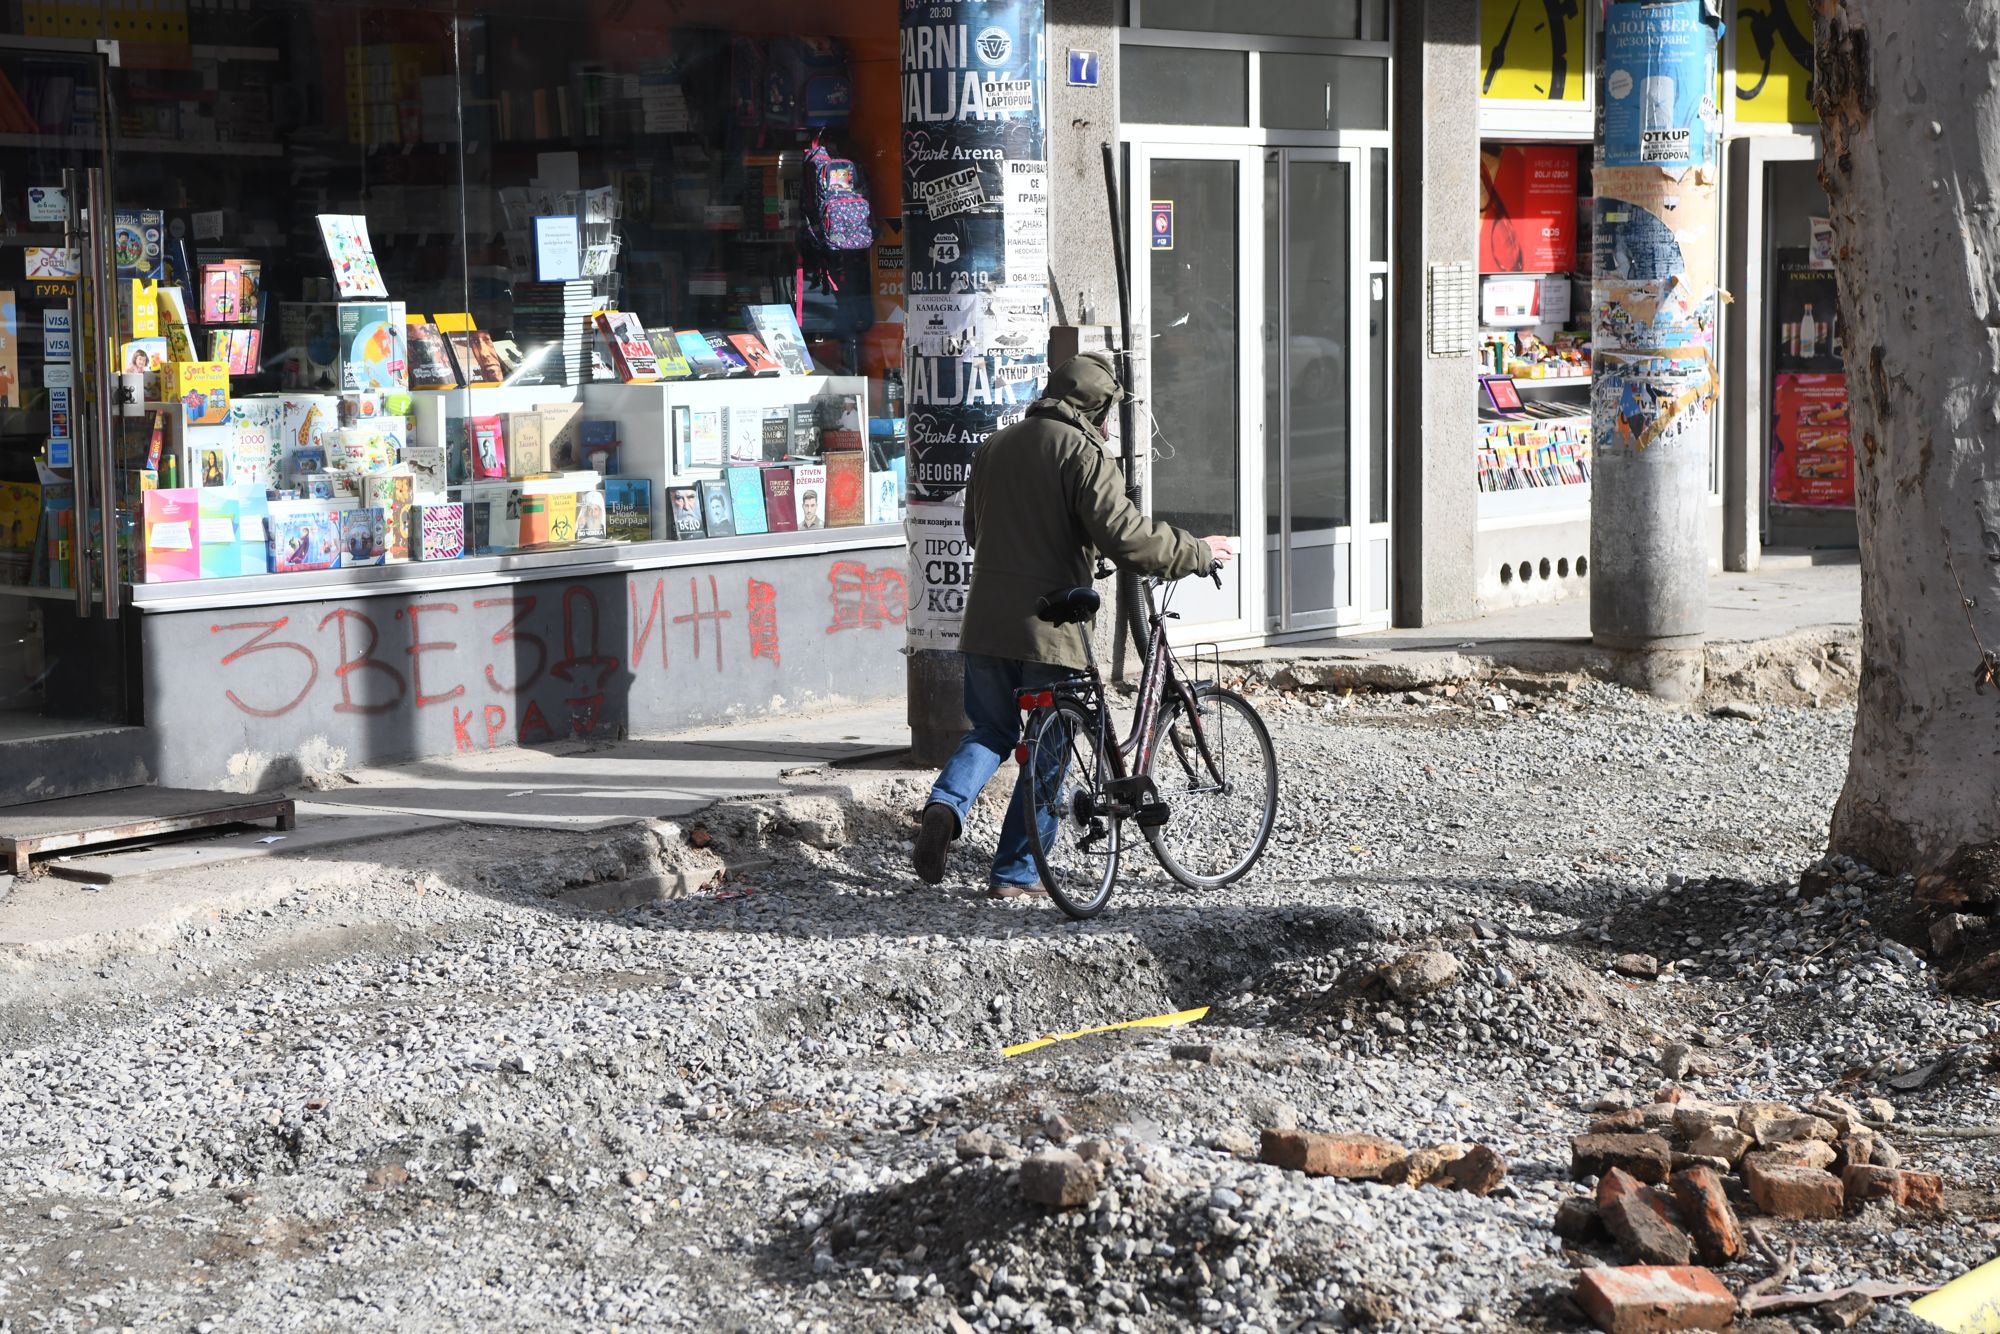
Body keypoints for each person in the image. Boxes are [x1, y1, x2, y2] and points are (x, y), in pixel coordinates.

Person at [912, 350, 1234, 896]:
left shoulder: (995, 445)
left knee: (991, 730)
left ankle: (945, 806)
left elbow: (975, 530)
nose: (1108, 421)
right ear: (1098, 406)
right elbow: (1130, 539)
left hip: (986, 622)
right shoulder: (1084, 452)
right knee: (1051, 741)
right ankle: (1016, 872)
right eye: (1108, 411)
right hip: (1050, 627)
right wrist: (1198, 551)